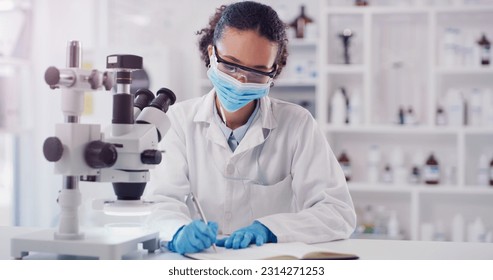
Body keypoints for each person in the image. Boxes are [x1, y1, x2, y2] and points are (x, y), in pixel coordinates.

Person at [147, 1, 356, 255]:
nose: (240, 82)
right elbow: (160, 202)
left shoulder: (298, 124)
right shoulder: (178, 122)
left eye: (257, 72)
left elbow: (337, 212)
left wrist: (270, 228)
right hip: (201, 261)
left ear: (274, 71)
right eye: (231, 65)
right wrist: (177, 231)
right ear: (212, 54)